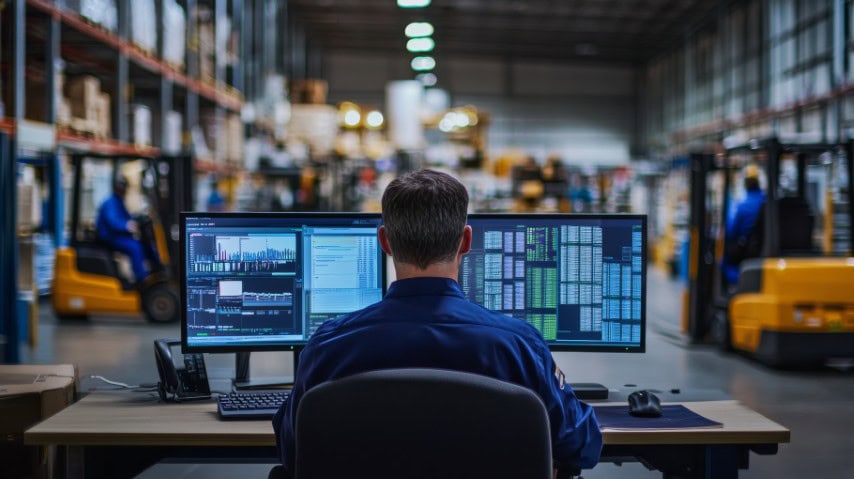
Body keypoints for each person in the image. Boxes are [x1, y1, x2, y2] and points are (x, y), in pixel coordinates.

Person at [273, 169, 602, 475]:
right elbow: (582, 446)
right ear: (467, 241)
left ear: (384, 241)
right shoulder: (517, 345)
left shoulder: (328, 346)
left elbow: (291, 450)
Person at [96, 176, 160, 284]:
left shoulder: (118, 201)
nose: (125, 191)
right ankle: (142, 279)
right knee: (135, 247)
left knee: (143, 244)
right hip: (110, 237)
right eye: (124, 188)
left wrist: (138, 218)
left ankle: (154, 271)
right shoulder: (110, 203)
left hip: (117, 235)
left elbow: (126, 216)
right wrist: (128, 225)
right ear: (119, 188)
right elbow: (113, 222)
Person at [723, 165, 766, 286]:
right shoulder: (766, 201)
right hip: (762, 249)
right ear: (758, 182)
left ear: (746, 184)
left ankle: (733, 285)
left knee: (724, 260)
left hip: (747, 251)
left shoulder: (742, 206)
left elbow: (732, 231)